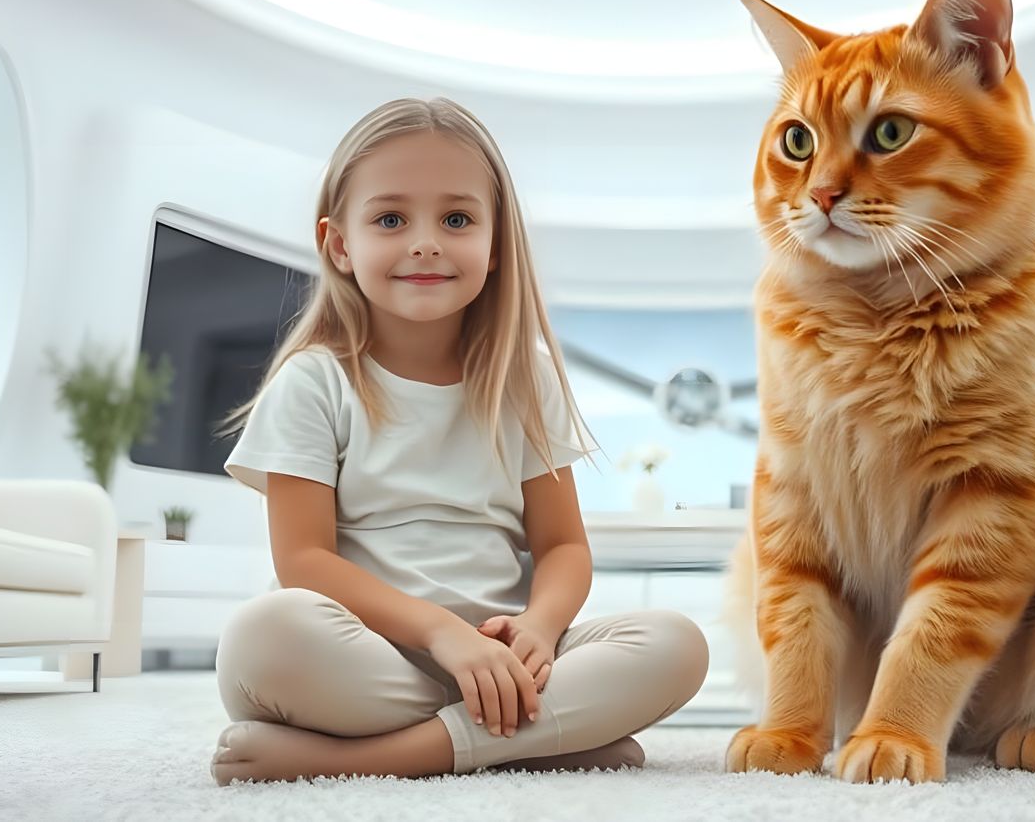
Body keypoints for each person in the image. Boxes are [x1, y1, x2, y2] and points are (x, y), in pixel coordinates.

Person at [209, 97, 709, 785]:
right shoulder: (314, 381)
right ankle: (541, 737)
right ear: (339, 245)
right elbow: (304, 560)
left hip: (507, 661)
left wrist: (537, 628)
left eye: (456, 219)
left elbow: (563, 546)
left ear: (496, 242)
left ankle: (384, 758)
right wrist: (442, 635)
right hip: (371, 659)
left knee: (676, 644)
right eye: (390, 219)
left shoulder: (524, 376)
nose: (425, 242)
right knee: (262, 639)